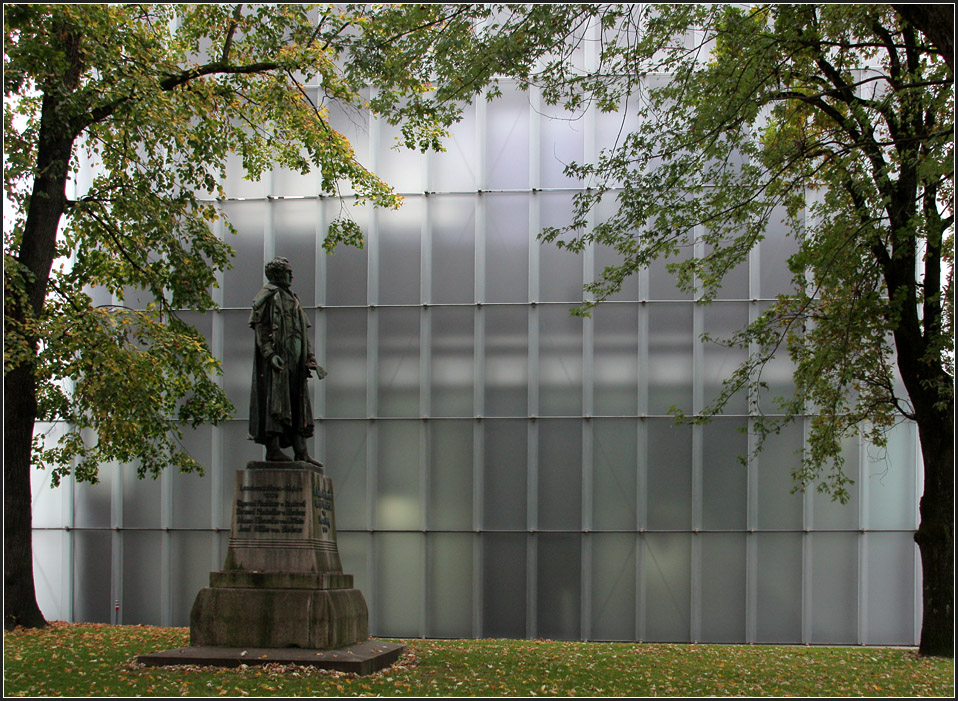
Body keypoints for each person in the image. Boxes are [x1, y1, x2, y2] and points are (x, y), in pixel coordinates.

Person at [248, 257, 326, 466]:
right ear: (276, 274)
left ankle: (301, 451)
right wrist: (269, 354)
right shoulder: (267, 297)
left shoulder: (293, 298)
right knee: (276, 404)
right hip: (278, 361)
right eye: (288, 271)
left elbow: (302, 331)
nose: (291, 275)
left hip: (296, 361)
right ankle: (272, 450)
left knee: (297, 404)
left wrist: (309, 357)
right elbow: (261, 329)